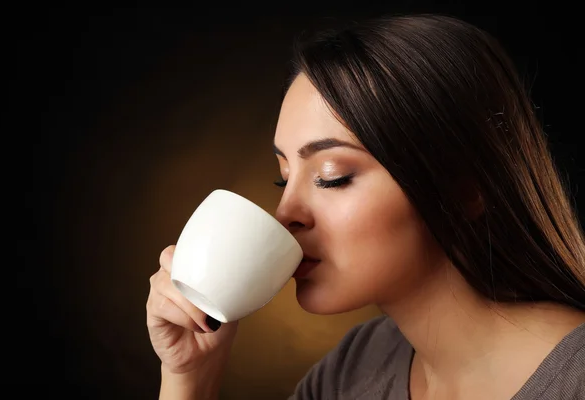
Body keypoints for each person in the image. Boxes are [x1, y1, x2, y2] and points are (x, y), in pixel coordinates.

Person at [146, 13, 585, 399]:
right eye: (283, 178)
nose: (285, 215)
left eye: (331, 176)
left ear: (462, 189)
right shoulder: (353, 369)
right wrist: (190, 378)